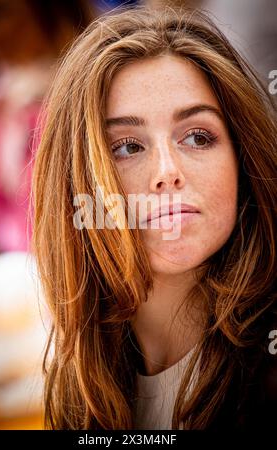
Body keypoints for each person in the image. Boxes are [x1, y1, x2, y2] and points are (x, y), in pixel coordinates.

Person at [31, 5, 277, 430]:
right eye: (127, 146)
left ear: (242, 156)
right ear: (76, 184)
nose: (166, 172)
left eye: (198, 137)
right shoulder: (77, 387)